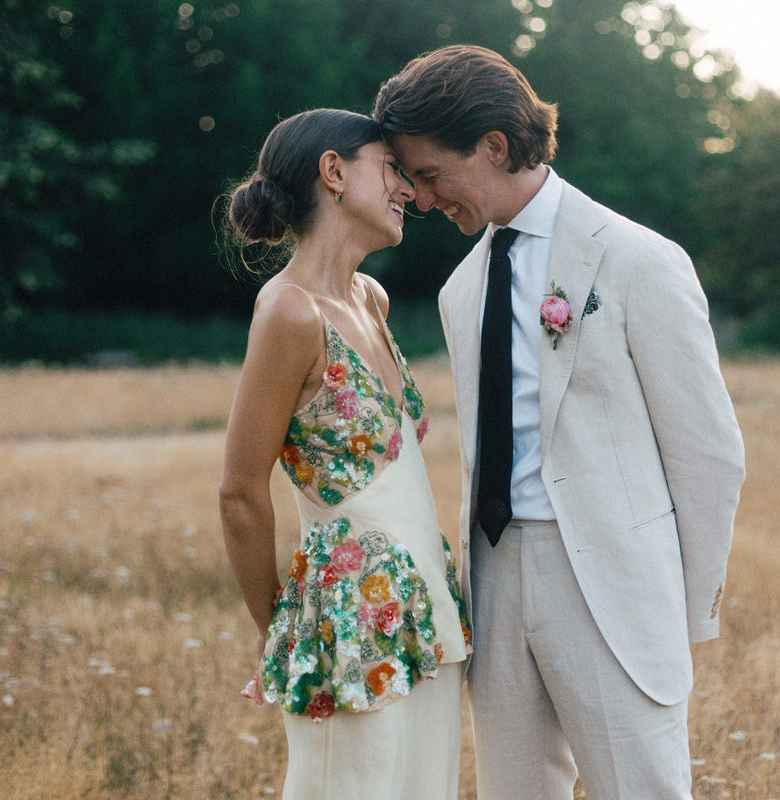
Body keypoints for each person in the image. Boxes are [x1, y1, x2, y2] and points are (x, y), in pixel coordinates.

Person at [373, 46, 745, 799]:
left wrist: (681, 610)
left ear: (494, 147)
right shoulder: (459, 289)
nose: (418, 196)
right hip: (495, 580)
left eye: (430, 174)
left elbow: (708, 455)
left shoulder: (640, 260)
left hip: (613, 584)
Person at [217, 108, 471, 800]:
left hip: (425, 615)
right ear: (333, 171)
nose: (411, 191)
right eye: (390, 165)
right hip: (346, 631)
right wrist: (285, 633)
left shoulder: (371, 298)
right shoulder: (288, 312)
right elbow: (239, 492)